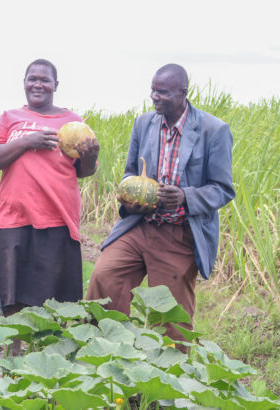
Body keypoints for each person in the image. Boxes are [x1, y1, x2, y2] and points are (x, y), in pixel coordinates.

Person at [86, 64, 235, 345]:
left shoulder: (213, 130)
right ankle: (106, 350)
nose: (155, 96)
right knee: (105, 277)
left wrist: (185, 197)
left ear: (183, 93)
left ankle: (172, 377)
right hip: (139, 225)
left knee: (171, 314)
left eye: (163, 92)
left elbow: (223, 189)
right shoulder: (144, 124)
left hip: (178, 234)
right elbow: (131, 172)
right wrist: (132, 198)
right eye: (153, 90)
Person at [0, 59, 100, 318]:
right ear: (24, 83)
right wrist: (26, 142)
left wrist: (90, 156)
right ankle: (12, 348)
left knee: (54, 296)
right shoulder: (9, 118)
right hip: (13, 216)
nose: (38, 84)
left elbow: (84, 171)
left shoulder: (73, 122)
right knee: (11, 293)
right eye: (32, 78)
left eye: (44, 80)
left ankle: (47, 352)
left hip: (56, 217)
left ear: (55, 85)